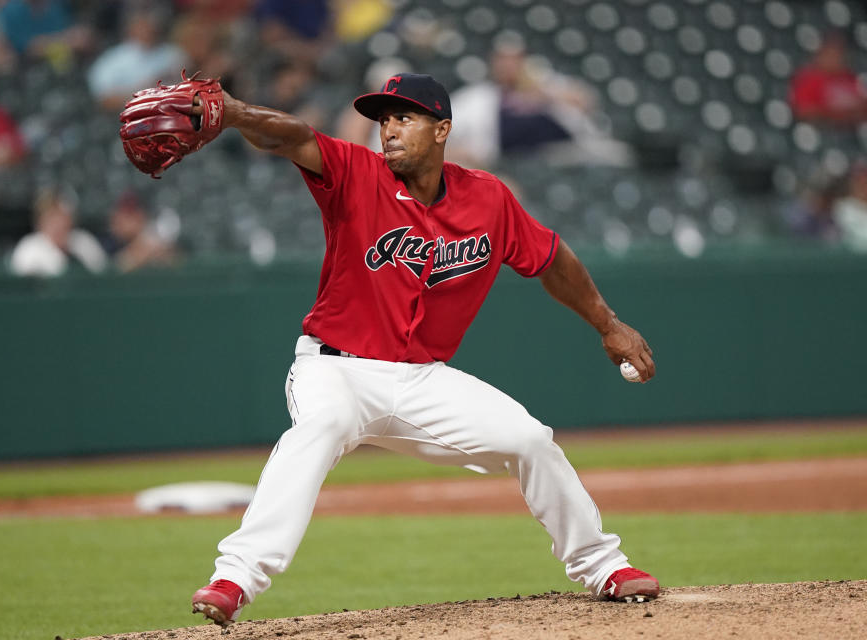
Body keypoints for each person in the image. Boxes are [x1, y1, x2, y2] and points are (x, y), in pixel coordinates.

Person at [184, 72, 660, 626]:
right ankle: (235, 578)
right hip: (336, 370)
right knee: (319, 429)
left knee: (530, 439)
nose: (388, 130)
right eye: (383, 119)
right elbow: (291, 136)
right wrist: (237, 111)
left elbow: (551, 260)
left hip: (421, 380)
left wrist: (609, 323)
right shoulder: (355, 173)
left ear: (443, 129)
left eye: (404, 118)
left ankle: (604, 566)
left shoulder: (488, 198)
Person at [446, 40, 633, 169]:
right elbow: (446, 126)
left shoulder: (548, 84)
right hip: (510, 160)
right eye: (502, 60)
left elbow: (585, 102)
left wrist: (542, 91)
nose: (508, 66)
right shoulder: (478, 97)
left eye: (514, 60)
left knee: (620, 156)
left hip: (564, 154)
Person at [87, 4, 187, 112]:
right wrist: (145, 91)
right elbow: (104, 100)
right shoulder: (112, 59)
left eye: (149, 24)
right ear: (130, 28)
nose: (146, 29)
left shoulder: (174, 54)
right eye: (140, 24)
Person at [10, 186, 107, 277]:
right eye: (53, 217)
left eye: (63, 216)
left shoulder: (84, 242)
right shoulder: (29, 248)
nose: (59, 223)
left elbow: (102, 274)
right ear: (41, 221)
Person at [790, 32, 867, 126]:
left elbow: (863, 109)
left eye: (839, 54)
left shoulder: (849, 78)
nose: (836, 58)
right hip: (824, 135)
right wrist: (838, 113)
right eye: (831, 53)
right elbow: (804, 112)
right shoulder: (809, 79)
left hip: (850, 133)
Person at [104, 190, 178, 273]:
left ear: (140, 216)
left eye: (127, 217)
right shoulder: (110, 243)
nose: (117, 223)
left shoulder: (156, 236)